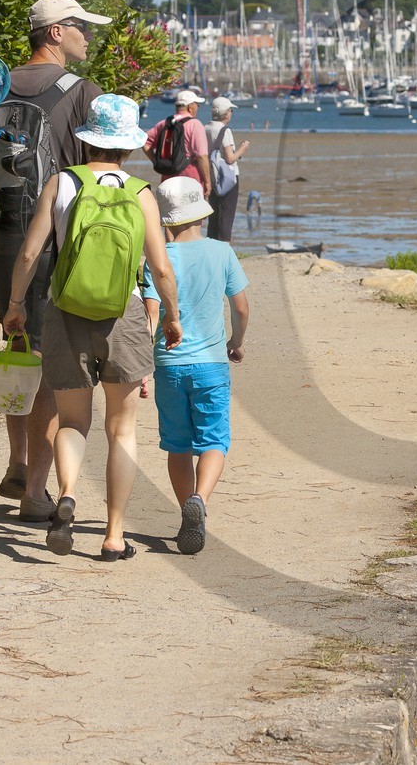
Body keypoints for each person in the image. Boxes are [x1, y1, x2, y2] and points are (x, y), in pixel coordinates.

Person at [3, 94, 181, 561]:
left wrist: (16, 305)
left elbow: (28, 253)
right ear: (128, 145)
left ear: (87, 140)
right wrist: (173, 316)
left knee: (73, 421)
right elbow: (161, 269)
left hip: (65, 312)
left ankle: (66, 495)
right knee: (121, 429)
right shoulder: (141, 193)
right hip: (122, 317)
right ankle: (114, 536)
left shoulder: (62, 183)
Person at [0, 0, 109, 523]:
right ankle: (36, 492)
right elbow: (95, 183)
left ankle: (19, 458)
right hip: (53, 246)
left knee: (18, 348)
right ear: (56, 33)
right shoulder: (84, 94)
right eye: (82, 28)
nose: (90, 36)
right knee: (49, 364)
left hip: (1, 243)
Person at [153, 177, 249, 555]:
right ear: (200, 214)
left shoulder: (158, 257)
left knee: (178, 446)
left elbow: (148, 312)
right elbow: (240, 307)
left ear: (165, 220)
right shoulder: (222, 252)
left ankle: (185, 511)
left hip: (169, 364)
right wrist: (236, 343)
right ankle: (201, 501)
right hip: (210, 364)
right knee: (213, 441)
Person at [143, 89, 212, 205]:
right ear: (190, 107)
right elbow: (201, 156)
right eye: (197, 105)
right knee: (192, 219)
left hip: (167, 177)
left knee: (172, 218)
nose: (198, 108)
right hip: (190, 178)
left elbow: (144, 141)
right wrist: (207, 182)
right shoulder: (195, 125)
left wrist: (156, 161)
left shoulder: (164, 123)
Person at [204, 96, 249, 242]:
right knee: (227, 215)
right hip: (227, 178)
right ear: (226, 113)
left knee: (214, 215)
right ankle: (224, 249)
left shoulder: (206, 128)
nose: (231, 113)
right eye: (230, 110)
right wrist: (243, 148)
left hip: (212, 175)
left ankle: (211, 246)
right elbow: (229, 158)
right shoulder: (225, 131)